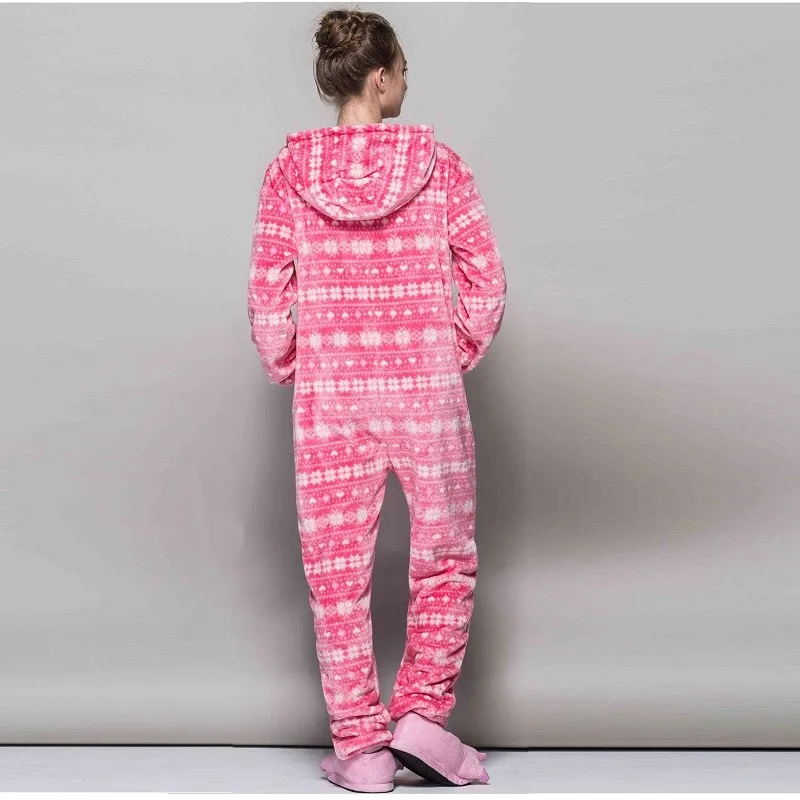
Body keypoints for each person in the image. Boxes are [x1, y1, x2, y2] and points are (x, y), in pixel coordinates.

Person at [247, 7, 506, 793]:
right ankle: (423, 717)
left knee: (337, 575)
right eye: (404, 72)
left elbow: (267, 296)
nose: (407, 85)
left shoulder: (288, 173)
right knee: (445, 558)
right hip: (425, 392)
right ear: (381, 76)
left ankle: (362, 749)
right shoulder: (442, 165)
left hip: (332, 398)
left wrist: (295, 363)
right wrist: (448, 354)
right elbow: (486, 279)